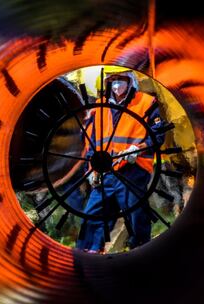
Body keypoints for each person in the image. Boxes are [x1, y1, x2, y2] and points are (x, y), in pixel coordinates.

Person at [76, 67, 166, 254]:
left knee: (136, 213)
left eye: (121, 78)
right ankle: (87, 254)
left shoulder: (145, 102)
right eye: (112, 79)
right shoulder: (99, 107)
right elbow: (90, 141)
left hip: (133, 169)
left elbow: (157, 136)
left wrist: (137, 149)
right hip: (105, 171)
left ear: (130, 79)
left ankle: (140, 252)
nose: (116, 84)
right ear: (107, 82)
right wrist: (91, 169)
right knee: (93, 214)